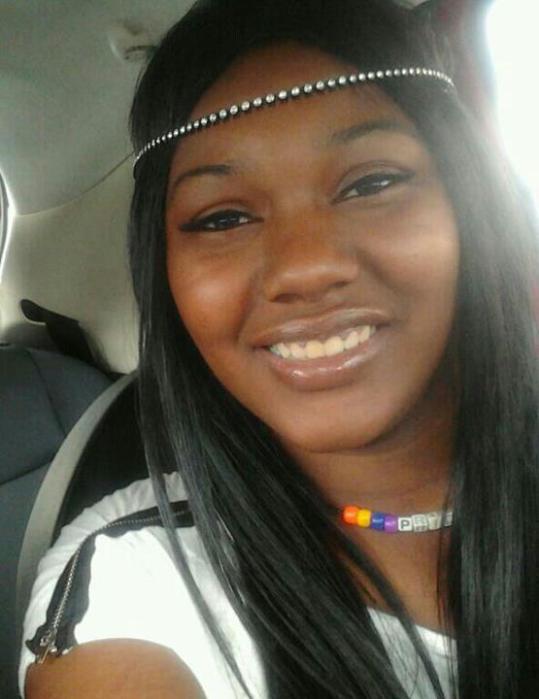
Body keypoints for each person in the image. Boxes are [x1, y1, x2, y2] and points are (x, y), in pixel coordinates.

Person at [19, 0, 539, 697]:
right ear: (162, 272)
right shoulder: (138, 579)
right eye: (223, 217)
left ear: (471, 205)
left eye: (372, 183)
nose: (305, 267)